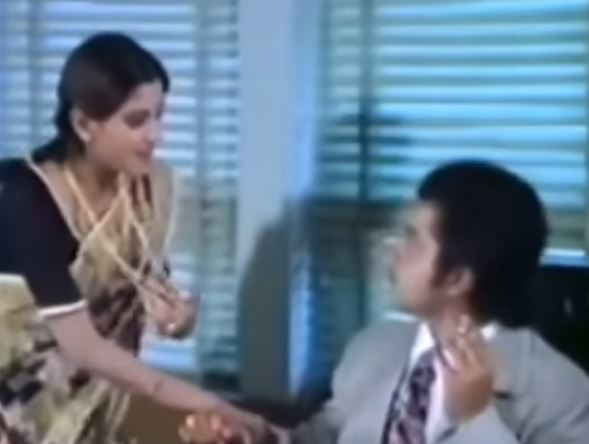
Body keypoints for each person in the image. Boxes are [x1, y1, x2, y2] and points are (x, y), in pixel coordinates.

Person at [182, 161, 589, 443]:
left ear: (458, 277)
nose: (392, 249)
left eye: (412, 238)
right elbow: (323, 436)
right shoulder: (374, 347)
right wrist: (258, 438)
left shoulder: (557, 390)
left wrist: (476, 418)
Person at [0, 32, 268, 444]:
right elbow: (83, 347)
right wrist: (213, 403)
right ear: (84, 124)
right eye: (136, 121)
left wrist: (179, 318)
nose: (155, 134)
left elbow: (145, 285)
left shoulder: (146, 187)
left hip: (95, 405)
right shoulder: (28, 197)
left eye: (159, 115)